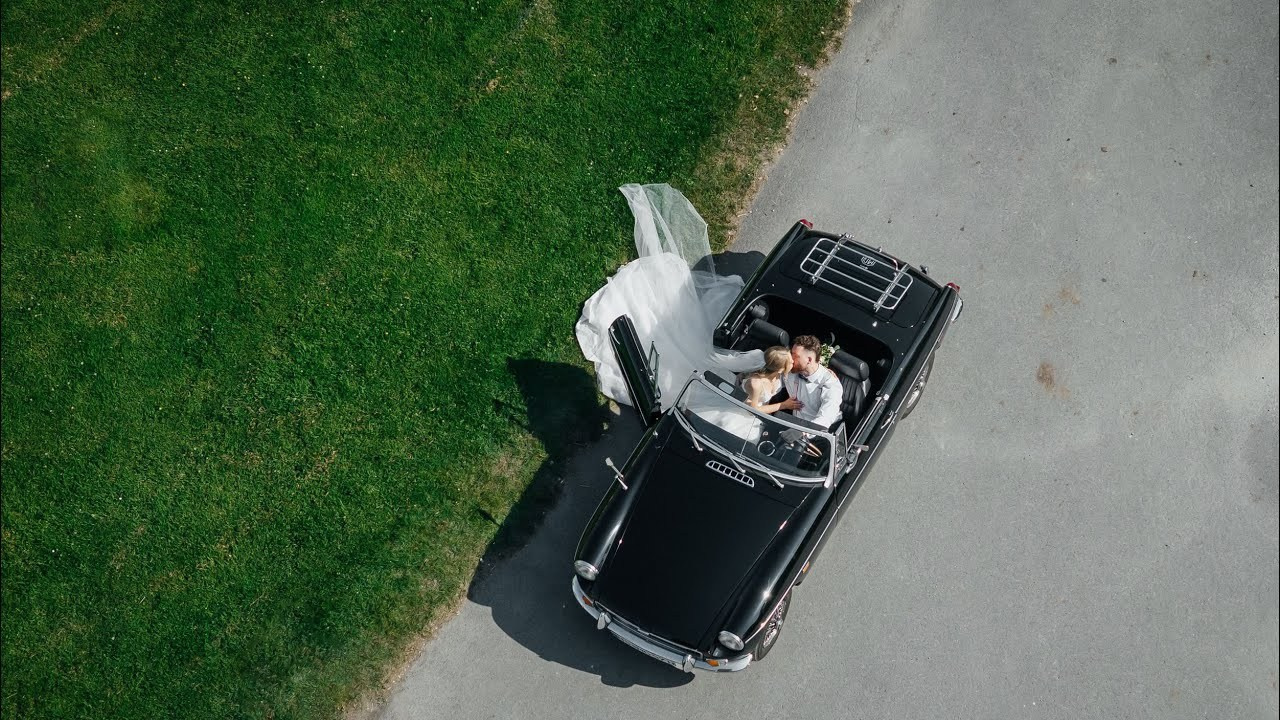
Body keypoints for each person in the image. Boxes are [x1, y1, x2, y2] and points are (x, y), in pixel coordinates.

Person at [781, 334, 844, 430]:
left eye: (795, 356)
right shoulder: (790, 369)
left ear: (809, 360)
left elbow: (825, 419)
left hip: (817, 432)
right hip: (793, 424)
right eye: (791, 353)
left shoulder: (830, 384)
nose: (790, 359)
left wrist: (802, 432)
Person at [741, 346, 803, 415]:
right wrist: (784, 405)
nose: (793, 361)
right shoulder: (756, 383)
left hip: (764, 412)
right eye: (790, 362)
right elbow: (752, 410)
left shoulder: (779, 375)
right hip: (745, 413)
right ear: (780, 369)